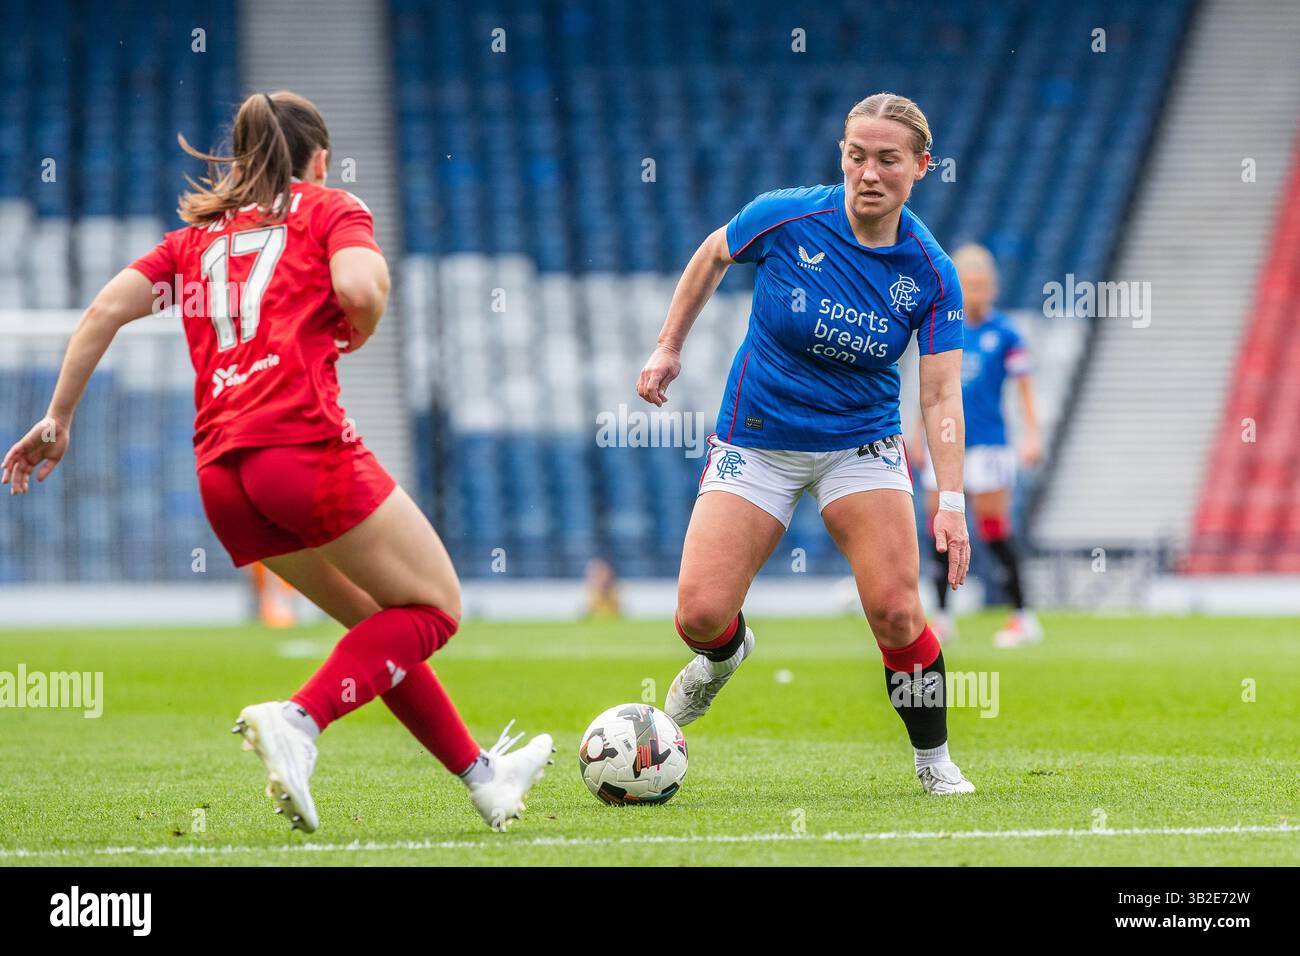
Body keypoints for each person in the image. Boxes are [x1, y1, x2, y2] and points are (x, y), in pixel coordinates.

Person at [2, 91, 551, 833]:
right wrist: (360, 322)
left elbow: (102, 312)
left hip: (223, 476)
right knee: (436, 607)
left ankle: (483, 777)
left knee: (376, 630)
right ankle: (300, 719)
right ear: (317, 160)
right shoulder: (329, 207)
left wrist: (57, 416)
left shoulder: (190, 243)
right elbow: (361, 288)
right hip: (300, 447)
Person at [636, 92, 976, 795]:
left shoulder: (933, 275)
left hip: (861, 445)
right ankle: (723, 659)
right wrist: (669, 347)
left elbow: (940, 395)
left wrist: (952, 500)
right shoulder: (787, 217)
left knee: (897, 610)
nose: (869, 173)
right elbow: (713, 252)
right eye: (856, 156)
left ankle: (933, 761)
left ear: (921, 166)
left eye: (888, 160)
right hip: (757, 439)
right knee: (700, 615)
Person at [913, 244, 1043, 648]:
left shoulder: (1005, 333)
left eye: (984, 284)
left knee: (992, 528)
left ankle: (1022, 616)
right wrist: (919, 434)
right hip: (946, 441)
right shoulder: (945, 326)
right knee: (938, 526)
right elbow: (933, 390)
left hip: (989, 444)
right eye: (971, 283)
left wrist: (1032, 434)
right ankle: (941, 618)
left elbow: (1024, 389)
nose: (978, 291)